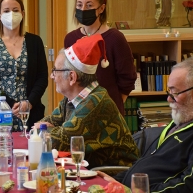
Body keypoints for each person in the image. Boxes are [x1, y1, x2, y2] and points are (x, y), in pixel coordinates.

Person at [98, 57, 193, 193]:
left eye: (174, 93)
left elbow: (192, 189)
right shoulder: (183, 121)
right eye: (168, 91)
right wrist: (114, 181)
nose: (169, 99)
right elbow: (149, 165)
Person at [35, 35, 139, 169]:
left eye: (55, 70)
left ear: (72, 77)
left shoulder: (96, 103)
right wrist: (48, 129)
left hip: (116, 174)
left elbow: (55, 142)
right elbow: (42, 127)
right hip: (91, 169)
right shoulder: (71, 99)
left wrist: (47, 129)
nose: (52, 76)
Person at [64, 0, 136, 116]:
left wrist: (113, 104)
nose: (83, 9)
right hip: (77, 111)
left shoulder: (115, 38)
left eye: (89, 5)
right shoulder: (70, 38)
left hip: (108, 111)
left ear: (101, 8)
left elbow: (127, 78)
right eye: (79, 5)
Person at [0, 0, 48, 131]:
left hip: (30, 112)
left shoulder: (35, 42)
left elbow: (42, 77)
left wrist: (29, 103)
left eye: (15, 10)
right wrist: (9, 103)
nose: (11, 14)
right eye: (6, 11)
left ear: (22, 13)